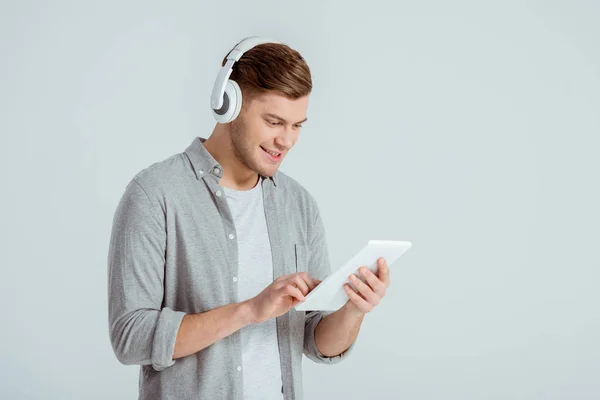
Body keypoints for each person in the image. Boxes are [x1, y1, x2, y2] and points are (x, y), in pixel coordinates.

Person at [107, 36, 391, 400]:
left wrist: (353, 309)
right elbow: (130, 337)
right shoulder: (155, 194)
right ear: (228, 105)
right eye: (274, 121)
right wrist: (248, 311)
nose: (286, 140)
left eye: (297, 125)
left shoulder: (299, 204)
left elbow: (314, 338)